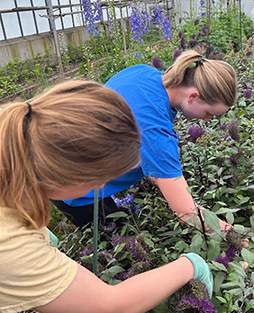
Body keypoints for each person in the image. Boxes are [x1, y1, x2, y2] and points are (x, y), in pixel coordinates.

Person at [0, 80, 213, 313]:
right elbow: (111, 306)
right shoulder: (10, 248)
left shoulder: (12, 139)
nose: (103, 186)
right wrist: (189, 266)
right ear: (65, 172)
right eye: (100, 178)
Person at [53, 47, 240, 234]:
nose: (207, 120)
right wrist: (233, 235)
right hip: (74, 188)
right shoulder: (155, 131)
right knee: (117, 245)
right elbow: (187, 213)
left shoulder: (144, 72)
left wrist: (165, 179)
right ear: (193, 96)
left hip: (56, 152)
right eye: (208, 113)